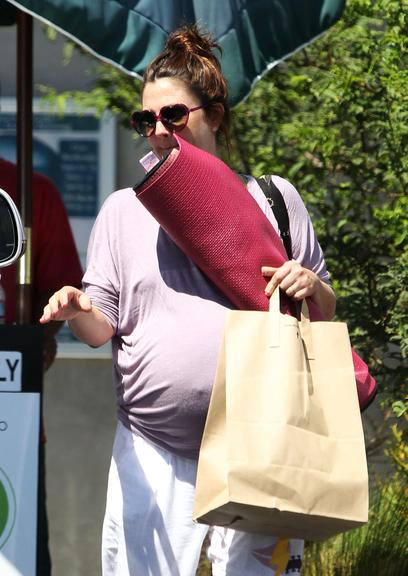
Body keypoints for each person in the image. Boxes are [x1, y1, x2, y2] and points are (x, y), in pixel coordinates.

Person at [40, 25, 336, 576]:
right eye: (144, 120)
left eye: (173, 115)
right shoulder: (124, 211)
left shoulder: (274, 200)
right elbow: (102, 327)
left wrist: (310, 286)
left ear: (215, 116)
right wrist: (79, 310)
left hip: (261, 447)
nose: (157, 131)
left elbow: (324, 311)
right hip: (152, 451)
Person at [0, 156, 83, 575]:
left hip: (11, 429)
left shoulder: (30, 191)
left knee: (19, 554)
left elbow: (59, 294)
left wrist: (34, 342)